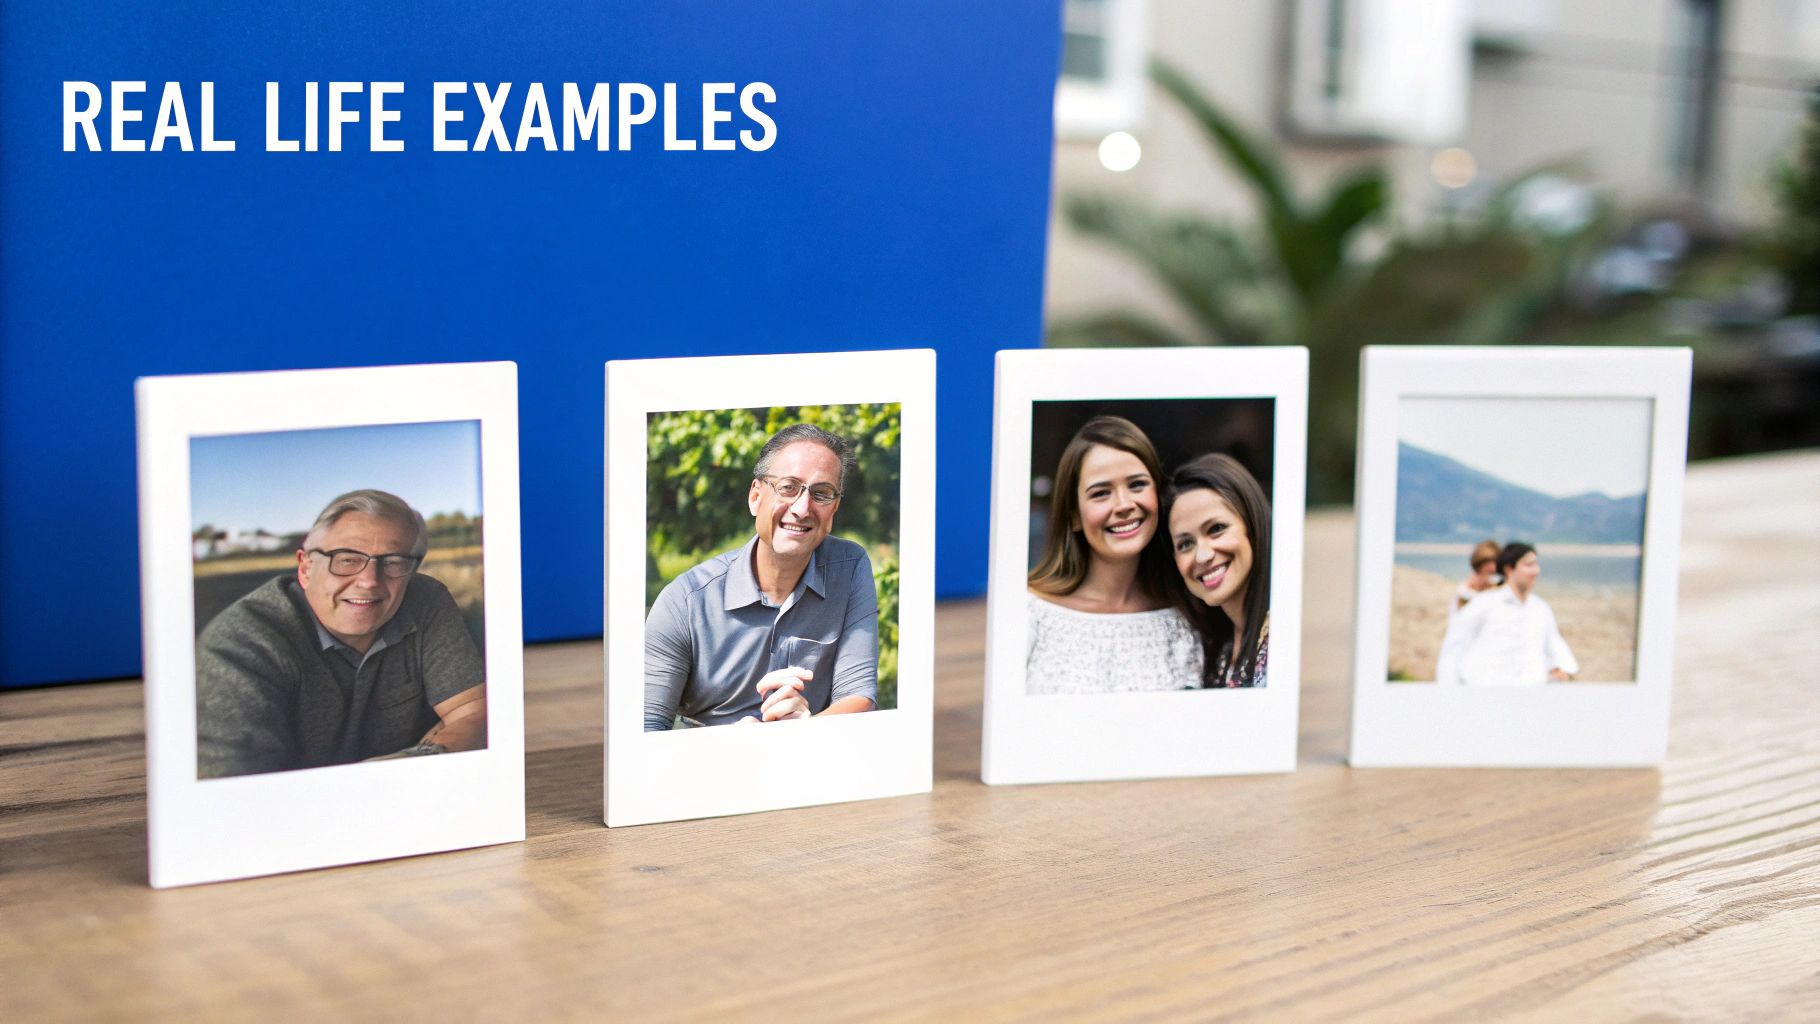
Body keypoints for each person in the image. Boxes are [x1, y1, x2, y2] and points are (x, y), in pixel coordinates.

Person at [196, 489, 487, 778]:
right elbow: (237, 788)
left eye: (394, 562)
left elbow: (475, 713)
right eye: (347, 559)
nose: (369, 582)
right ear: (306, 567)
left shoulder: (425, 600)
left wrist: (410, 761)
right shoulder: (240, 644)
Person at [644, 423, 878, 729]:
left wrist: (804, 734)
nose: (802, 508)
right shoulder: (684, 602)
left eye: (821, 494)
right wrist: (734, 748)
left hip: (813, 762)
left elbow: (859, 695)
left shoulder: (849, 567)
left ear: (833, 510)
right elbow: (645, 729)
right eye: (788, 487)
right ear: (756, 497)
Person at [1025, 416, 1202, 694]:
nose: (1123, 505)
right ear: (1073, 516)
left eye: (1137, 485)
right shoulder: (1030, 611)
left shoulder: (1191, 612)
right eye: (1101, 493)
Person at [1167, 453, 1271, 688]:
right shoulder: (1208, 650)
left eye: (1216, 529)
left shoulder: (1283, 637)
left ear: (1252, 524)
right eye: (1185, 544)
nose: (1202, 555)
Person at [1436, 542, 1579, 686]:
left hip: (1531, 695)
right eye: (1529, 565)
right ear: (1509, 569)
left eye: (1536, 564)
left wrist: (1562, 668)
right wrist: (1448, 691)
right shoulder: (1483, 604)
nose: (1536, 571)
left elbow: (1554, 643)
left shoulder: (1540, 608)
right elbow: (1454, 648)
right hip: (1486, 696)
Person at [1450, 539, 1503, 624]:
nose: (1493, 567)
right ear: (1480, 563)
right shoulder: (1465, 591)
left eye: (1496, 562)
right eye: (1488, 562)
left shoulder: (1495, 585)